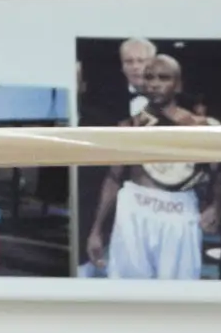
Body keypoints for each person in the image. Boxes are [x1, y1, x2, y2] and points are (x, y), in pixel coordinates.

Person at [84, 52, 206, 282]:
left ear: (178, 85)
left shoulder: (197, 127)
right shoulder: (129, 126)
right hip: (134, 210)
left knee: (180, 299)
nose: (155, 84)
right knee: (129, 298)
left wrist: (216, 206)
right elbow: (113, 177)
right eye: (150, 78)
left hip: (178, 213)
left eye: (163, 78)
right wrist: (96, 230)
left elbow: (216, 171)